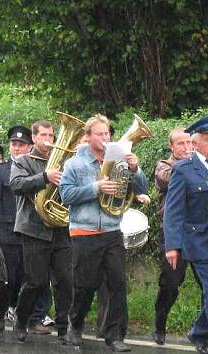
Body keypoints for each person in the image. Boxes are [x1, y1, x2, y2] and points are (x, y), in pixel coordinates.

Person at [60, 114, 147, 352]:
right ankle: (75, 325)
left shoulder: (118, 161)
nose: (105, 137)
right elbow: (66, 195)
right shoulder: (74, 164)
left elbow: (141, 189)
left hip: (112, 230)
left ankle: (114, 335)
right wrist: (95, 188)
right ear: (87, 137)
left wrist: (135, 169)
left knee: (117, 284)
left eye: (107, 133)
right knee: (85, 285)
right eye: (100, 134)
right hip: (84, 231)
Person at [164, 115, 208, 354]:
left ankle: (199, 332)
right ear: (195, 144)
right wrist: (172, 245)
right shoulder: (183, 170)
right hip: (199, 242)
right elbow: (174, 210)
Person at [9, 120, 73, 344]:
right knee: (36, 281)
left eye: (51, 135)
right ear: (34, 138)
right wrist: (45, 177)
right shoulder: (23, 161)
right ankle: (21, 319)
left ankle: (64, 328)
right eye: (44, 135)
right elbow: (16, 185)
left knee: (65, 280)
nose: (48, 140)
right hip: (34, 228)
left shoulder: (64, 160)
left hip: (59, 228)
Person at [0, 125, 32, 332]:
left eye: (21, 145)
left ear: (30, 147)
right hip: (7, 230)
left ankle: (20, 313)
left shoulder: (35, 167)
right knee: (7, 277)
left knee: (27, 276)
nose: (17, 148)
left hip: (30, 230)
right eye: (14, 144)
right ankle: (0, 311)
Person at [151, 127, 193, 345]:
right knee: (171, 282)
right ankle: (160, 321)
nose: (186, 148)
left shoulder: (197, 164)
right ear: (171, 147)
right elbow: (169, 178)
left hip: (197, 231)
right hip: (172, 232)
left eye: (189, 143)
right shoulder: (164, 166)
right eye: (181, 144)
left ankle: (205, 330)